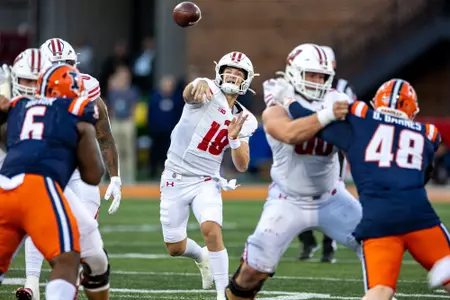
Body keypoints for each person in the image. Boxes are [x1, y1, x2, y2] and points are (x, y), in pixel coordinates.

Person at [287, 78, 450, 300]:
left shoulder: (360, 118)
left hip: (377, 220)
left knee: (380, 290)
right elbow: (422, 175)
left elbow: (310, 120)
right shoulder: (428, 133)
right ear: (413, 109)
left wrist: (287, 101)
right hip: (418, 216)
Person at [224, 43, 362, 300]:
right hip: (287, 200)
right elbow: (288, 133)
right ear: (294, 72)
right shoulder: (278, 99)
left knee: (377, 242)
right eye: (311, 74)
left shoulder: (336, 100)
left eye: (322, 75)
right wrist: (327, 115)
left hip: (332, 197)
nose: (317, 80)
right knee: (251, 272)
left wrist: (330, 114)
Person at [14, 38, 122, 300]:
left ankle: (72, 283)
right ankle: (31, 285)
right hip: (44, 169)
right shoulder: (27, 90)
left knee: (85, 244)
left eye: (68, 64)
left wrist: (116, 177)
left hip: (80, 171)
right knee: (39, 220)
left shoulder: (88, 89)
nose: (63, 71)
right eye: (56, 65)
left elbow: (104, 135)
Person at [0, 63, 105, 300]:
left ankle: (33, 283)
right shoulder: (76, 110)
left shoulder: (18, 106)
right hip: (39, 186)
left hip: (5, 185)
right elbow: (93, 174)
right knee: (69, 257)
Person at [160, 51, 258, 300]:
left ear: (246, 80)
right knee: (174, 248)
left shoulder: (245, 118)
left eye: (238, 73)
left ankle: (223, 294)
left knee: (211, 229)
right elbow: (189, 94)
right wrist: (197, 84)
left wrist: (234, 139)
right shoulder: (206, 90)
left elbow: (242, 165)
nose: (232, 75)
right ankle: (201, 256)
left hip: (206, 179)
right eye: (228, 70)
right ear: (219, 71)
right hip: (175, 175)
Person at [297, 45, 358, 263]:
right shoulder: (291, 89)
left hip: (330, 150)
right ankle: (307, 240)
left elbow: (350, 122)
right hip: (300, 152)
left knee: (330, 198)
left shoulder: (340, 90)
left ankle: (328, 245)